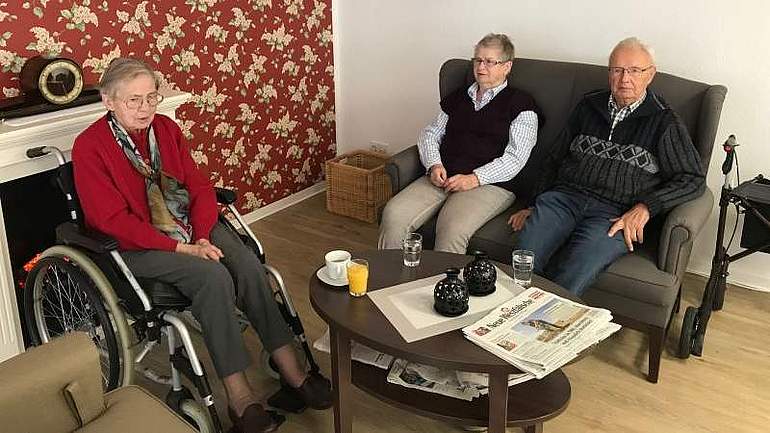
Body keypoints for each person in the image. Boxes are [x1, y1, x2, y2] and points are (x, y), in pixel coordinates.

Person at [72, 58, 331, 433]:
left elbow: (197, 185)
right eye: (134, 100)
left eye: (152, 97)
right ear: (108, 101)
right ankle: (240, 398)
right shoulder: (90, 146)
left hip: (187, 224)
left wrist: (203, 235)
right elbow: (112, 221)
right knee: (213, 277)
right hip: (135, 246)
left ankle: (292, 370)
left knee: (247, 264)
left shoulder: (166, 129)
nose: (146, 108)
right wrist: (184, 249)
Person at [509, 37, 705, 295]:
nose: (625, 79)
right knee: (525, 259)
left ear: (650, 75)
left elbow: (692, 178)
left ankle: (547, 319)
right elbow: (555, 157)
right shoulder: (588, 105)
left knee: (575, 270)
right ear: (609, 72)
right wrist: (532, 203)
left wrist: (646, 207)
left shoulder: (664, 121)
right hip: (564, 200)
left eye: (635, 70)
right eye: (618, 70)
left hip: (614, 214)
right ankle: (511, 315)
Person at [378, 33, 542, 254]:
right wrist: (434, 164)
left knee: (452, 229)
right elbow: (430, 134)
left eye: (490, 61)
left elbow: (515, 158)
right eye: (477, 60)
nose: (481, 67)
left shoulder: (522, 104)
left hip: (490, 184)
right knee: (394, 214)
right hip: (444, 175)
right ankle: (391, 274)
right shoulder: (459, 97)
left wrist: (474, 178)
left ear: (507, 66)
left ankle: (445, 278)